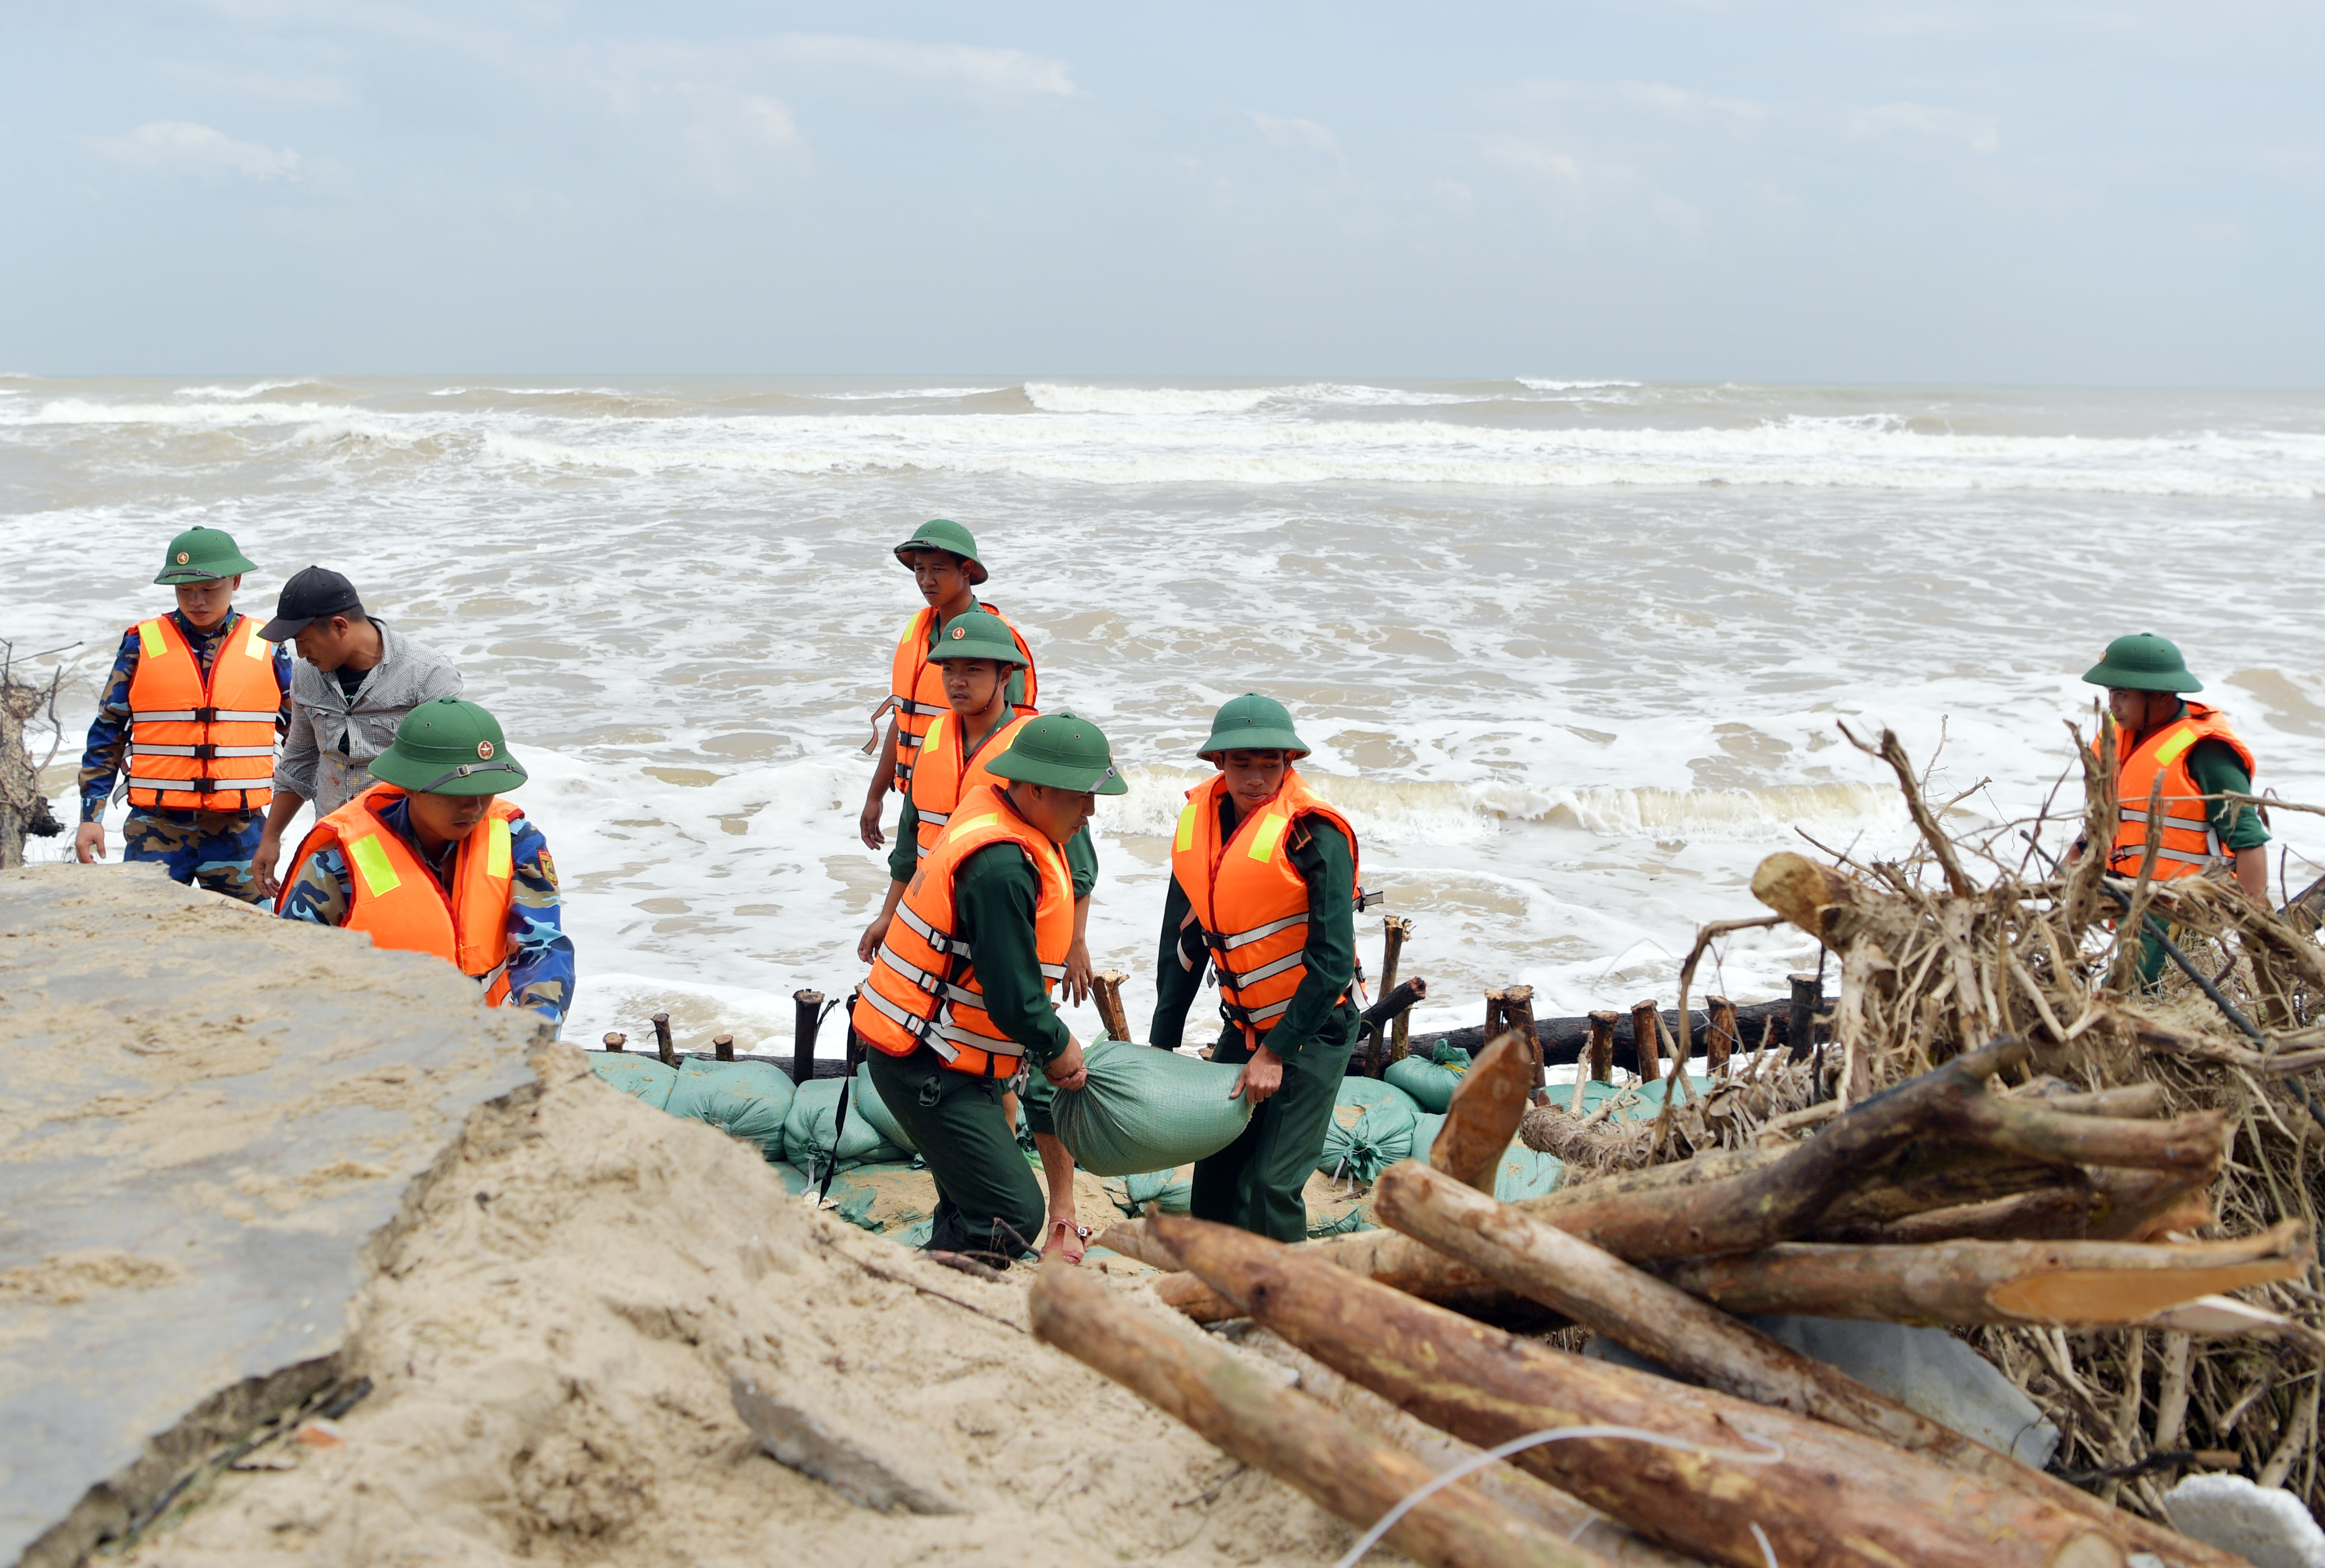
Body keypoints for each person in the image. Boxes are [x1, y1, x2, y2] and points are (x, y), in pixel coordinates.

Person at [855, 611, 1098, 1259]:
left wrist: (1076, 940)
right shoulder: (1001, 864)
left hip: (944, 1041)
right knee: (1014, 1211)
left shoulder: (1018, 808)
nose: (1091, 811)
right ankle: (945, 1278)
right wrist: (1059, 1046)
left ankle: (944, 1260)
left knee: (972, 1185)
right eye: (1082, 799)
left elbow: (1074, 880)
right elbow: (1011, 993)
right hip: (923, 1051)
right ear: (1038, 789)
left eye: (972, 668)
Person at [1149, 694, 1361, 1244]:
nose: (1258, 777)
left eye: (1272, 763)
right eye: (1243, 762)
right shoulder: (1200, 826)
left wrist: (1275, 1052)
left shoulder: (1314, 833)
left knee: (1272, 1181)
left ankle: (1285, 1312)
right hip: (1244, 1026)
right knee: (1214, 1173)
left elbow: (1333, 963)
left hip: (1317, 1027)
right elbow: (1183, 942)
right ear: (1218, 763)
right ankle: (1218, 1293)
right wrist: (1162, 1042)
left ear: (1290, 762)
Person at [276, 697, 574, 1027]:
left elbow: (543, 949)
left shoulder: (518, 841)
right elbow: (294, 975)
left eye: (487, 790)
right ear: (410, 786)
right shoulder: (339, 863)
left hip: (492, 1045)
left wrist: (538, 1031)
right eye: (456, 792)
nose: (474, 807)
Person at [73, 526, 293, 903]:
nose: (197, 601)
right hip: (154, 827)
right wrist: (90, 817)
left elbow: (301, 736)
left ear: (236, 581)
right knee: (144, 931)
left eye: (209, 590)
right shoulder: (141, 642)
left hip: (240, 830)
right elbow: (108, 730)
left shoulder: (268, 645)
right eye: (184, 590)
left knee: (249, 939)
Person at [2070, 633, 2269, 989]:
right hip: (2126, 893)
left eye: (2123, 695)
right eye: (2112, 693)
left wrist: (2253, 928)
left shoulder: (2206, 752)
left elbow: (2248, 840)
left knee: (2133, 997)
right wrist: (2078, 858)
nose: (2112, 704)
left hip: (2178, 905)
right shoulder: (2118, 737)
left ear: (2161, 695)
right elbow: (2110, 818)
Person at [251, 565, 464, 897]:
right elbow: (299, 762)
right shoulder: (307, 675)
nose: (301, 653)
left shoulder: (428, 675)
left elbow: (452, 776)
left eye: (304, 640)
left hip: (407, 850)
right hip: (334, 844)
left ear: (339, 626)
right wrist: (270, 839)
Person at [857, 519, 1038, 852]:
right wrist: (875, 795)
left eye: (938, 569)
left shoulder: (996, 644)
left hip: (978, 808)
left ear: (966, 569)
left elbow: (1013, 739)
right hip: (923, 799)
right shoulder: (920, 627)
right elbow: (905, 716)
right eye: (919, 569)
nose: (926, 580)